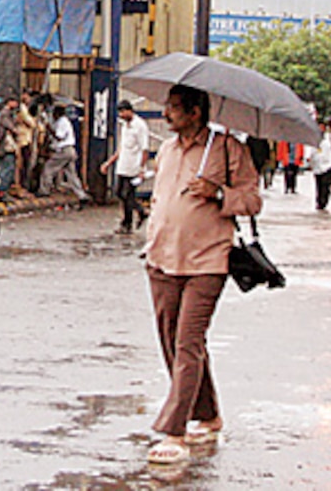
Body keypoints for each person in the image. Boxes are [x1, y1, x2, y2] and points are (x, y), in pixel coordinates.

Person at [141, 84, 261, 465]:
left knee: (188, 341)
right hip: (161, 258)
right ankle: (208, 414)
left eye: (174, 107)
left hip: (207, 261)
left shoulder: (228, 150)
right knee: (171, 340)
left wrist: (219, 193)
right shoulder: (167, 149)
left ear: (195, 112)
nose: (166, 113)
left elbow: (253, 200)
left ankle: (174, 431)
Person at [101, 100, 150, 232]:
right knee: (119, 193)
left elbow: (144, 149)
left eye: (123, 112)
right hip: (123, 164)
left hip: (134, 166)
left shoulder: (140, 126)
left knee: (128, 194)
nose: (121, 115)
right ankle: (140, 212)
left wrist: (141, 169)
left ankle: (127, 224)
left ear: (130, 110)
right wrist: (109, 162)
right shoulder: (125, 126)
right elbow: (121, 148)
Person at [38, 105, 91, 203]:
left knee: (48, 168)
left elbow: (59, 137)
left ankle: (44, 190)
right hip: (70, 150)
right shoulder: (64, 122)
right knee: (72, 175)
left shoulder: (62, 122)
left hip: (64, 151)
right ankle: (81, 195)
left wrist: (49, 128)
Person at [310, 122, 331, 211]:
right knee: (318, 185)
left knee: (325, 184)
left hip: (328, 165)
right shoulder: (313, 137)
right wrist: (308, 158)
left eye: (322, 126)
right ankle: (319, 202)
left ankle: (323, 202)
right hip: (316, 165)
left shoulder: (330, 137)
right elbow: (309, 148)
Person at [14, 92, 39, 190]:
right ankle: (22, 185)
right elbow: (31, 123)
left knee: (27, 163)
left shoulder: (27, 109)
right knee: (23, 164)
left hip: (27, 139)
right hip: (23, 139)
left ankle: (25, 184)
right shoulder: (22, 108)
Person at [0, 98, 20, 195]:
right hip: (5, 146)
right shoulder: (5, 114)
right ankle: (2, 190)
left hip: (5, 145)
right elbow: (12, 128)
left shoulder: (8, 113)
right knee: (7, 168)